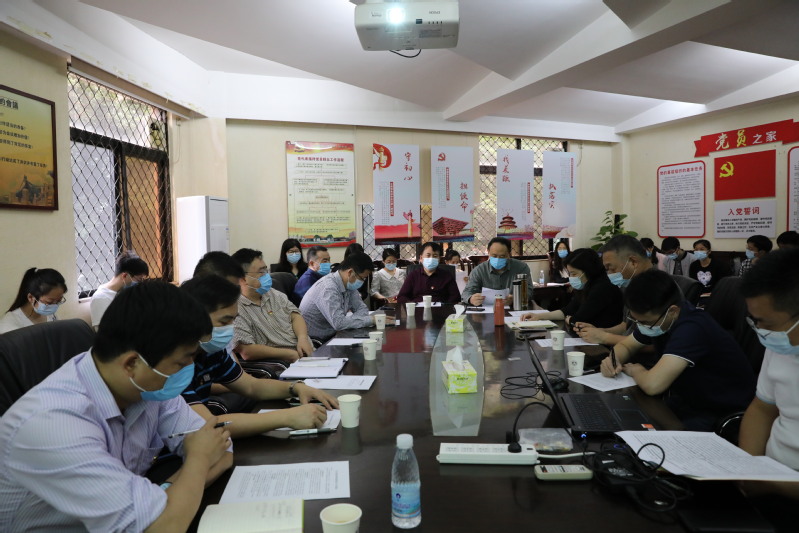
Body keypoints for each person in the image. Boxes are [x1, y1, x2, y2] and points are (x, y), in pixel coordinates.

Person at [0, 281, 232, 532]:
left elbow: (221, 450)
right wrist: (197, 460)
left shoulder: (147, 387)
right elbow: (163, 527)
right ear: (132, 363)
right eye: (180, 364)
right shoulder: (55, 423)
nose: (187, 371)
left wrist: (166, 496)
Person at [180, 275, 337, 438]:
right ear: (195, 319)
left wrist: (296, 388)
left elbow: (251, 386)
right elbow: (206, 426)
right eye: (224, 322)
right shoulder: (174, 363)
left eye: (233, 320)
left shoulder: (212, 351)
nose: (231, 328)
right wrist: (286, 417)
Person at [600, 269, 755, 431]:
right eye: (637, 321)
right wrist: (613, 360)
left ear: (672, 311)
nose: (641, 326)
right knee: (620, 420)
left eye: (645, 322)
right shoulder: (661, 319)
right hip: (687, 400)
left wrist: (636, 370)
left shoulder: (692, 328)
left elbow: (653, 385)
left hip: (717, 411)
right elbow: (627, 345)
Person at [738, 249, 799, 504]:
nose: (761, 331)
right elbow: (762, 409)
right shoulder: (783, 344)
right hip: (767, 484)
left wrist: (772, 485)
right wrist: (748, 471)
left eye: (768, 324)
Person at [231, 249, 315, 376]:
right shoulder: (235, 307)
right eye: (261, 272)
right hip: (283, 367)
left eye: (266, 270)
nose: (267, 276)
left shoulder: (272, 294)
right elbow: (247, 351)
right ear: (243, 279)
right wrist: (290, 354)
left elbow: (295, 315)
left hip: (309, 357)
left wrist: (302, 338)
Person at [573, 234, 654, 346]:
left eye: (612, 269)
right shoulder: (631, 286)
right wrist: (600, 331)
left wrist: (605, 337)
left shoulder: (661, 287)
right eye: (607, 270)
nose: (609, 275)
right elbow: (626, 325)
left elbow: (652, 344)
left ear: (633, 262)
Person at [521, 248, 623, 329]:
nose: (571, 278)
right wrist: (539, 316)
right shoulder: (585, 286)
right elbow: (568, 310)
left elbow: (578, 320)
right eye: (569, 274)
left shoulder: (602, 288)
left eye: (574, 274)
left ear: (588, 271)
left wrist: (570, 320)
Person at [299, 252, 375, 342]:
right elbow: (339, 323)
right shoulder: (328, 288)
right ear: (350, 272)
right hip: (316, 341)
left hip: (335, 335)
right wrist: (370, 320)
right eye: (362, 278)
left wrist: (349, 321)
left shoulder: (349, 285)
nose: (362, 281)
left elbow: (362, 308)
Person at [462, 237, 533, 307]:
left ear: (509, 254)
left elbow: (529, 292)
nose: (498, 259)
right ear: (488, 252)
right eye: (494, 255)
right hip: (486, 311)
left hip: (513, 309)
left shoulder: (521, 268)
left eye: (502, 256)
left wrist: (514, 299)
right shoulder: (479, 270)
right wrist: (471, 299)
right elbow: (466, 293)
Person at [90, 251, 149, 330]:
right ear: (124, 276)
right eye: (139, 279)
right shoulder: (101, 298)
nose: (140, 283)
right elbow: (104, 333)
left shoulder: (124, 294)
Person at [0, 268, 67, 334]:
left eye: (58, 301)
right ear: (31, 297)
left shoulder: (51, 316)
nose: (54, 306)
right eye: (49, 302)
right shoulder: (9, 324)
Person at [396, 241, 460, 305]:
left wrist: (445, 306)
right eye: (428, 255)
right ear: (421, 258)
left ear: (439, 259)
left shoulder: (447, 276)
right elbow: (401, 297)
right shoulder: (413, 275)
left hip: (441, 309)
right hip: (417, 309)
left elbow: (456, 297)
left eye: (435, 256)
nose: (431, 258)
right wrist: (412, 304)